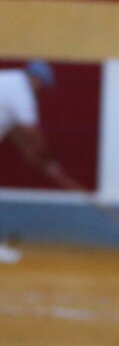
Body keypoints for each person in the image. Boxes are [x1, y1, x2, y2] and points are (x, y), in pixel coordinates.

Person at [0, 61, 72, 263]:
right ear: (36, 79)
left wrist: (29, 152)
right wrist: (48, 162)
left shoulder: (8, 81)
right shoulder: (21, 91)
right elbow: (31, 131)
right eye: (42, 86)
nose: (40, 92)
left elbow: (13, 128)